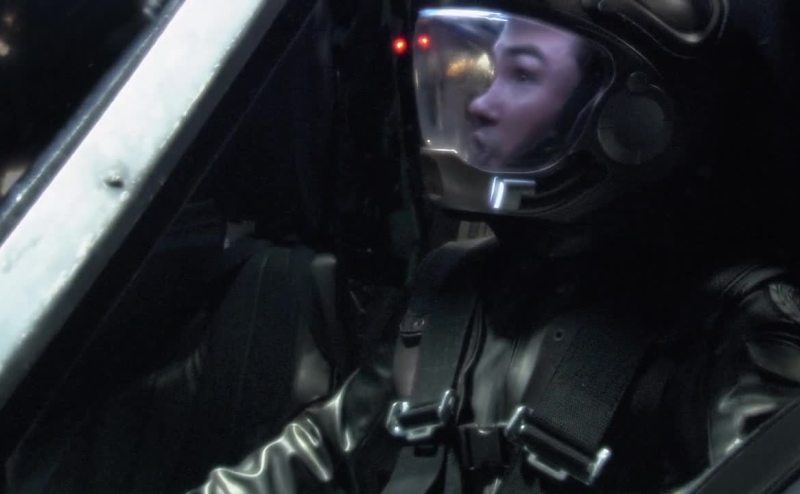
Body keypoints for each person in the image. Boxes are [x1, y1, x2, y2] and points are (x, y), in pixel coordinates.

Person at [191, 1, 800, 493]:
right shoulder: (456, 286)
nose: (480, 103)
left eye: (522, 74)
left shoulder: (738, 328)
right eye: (489, 68)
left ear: (632, 120)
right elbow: (322, 453)